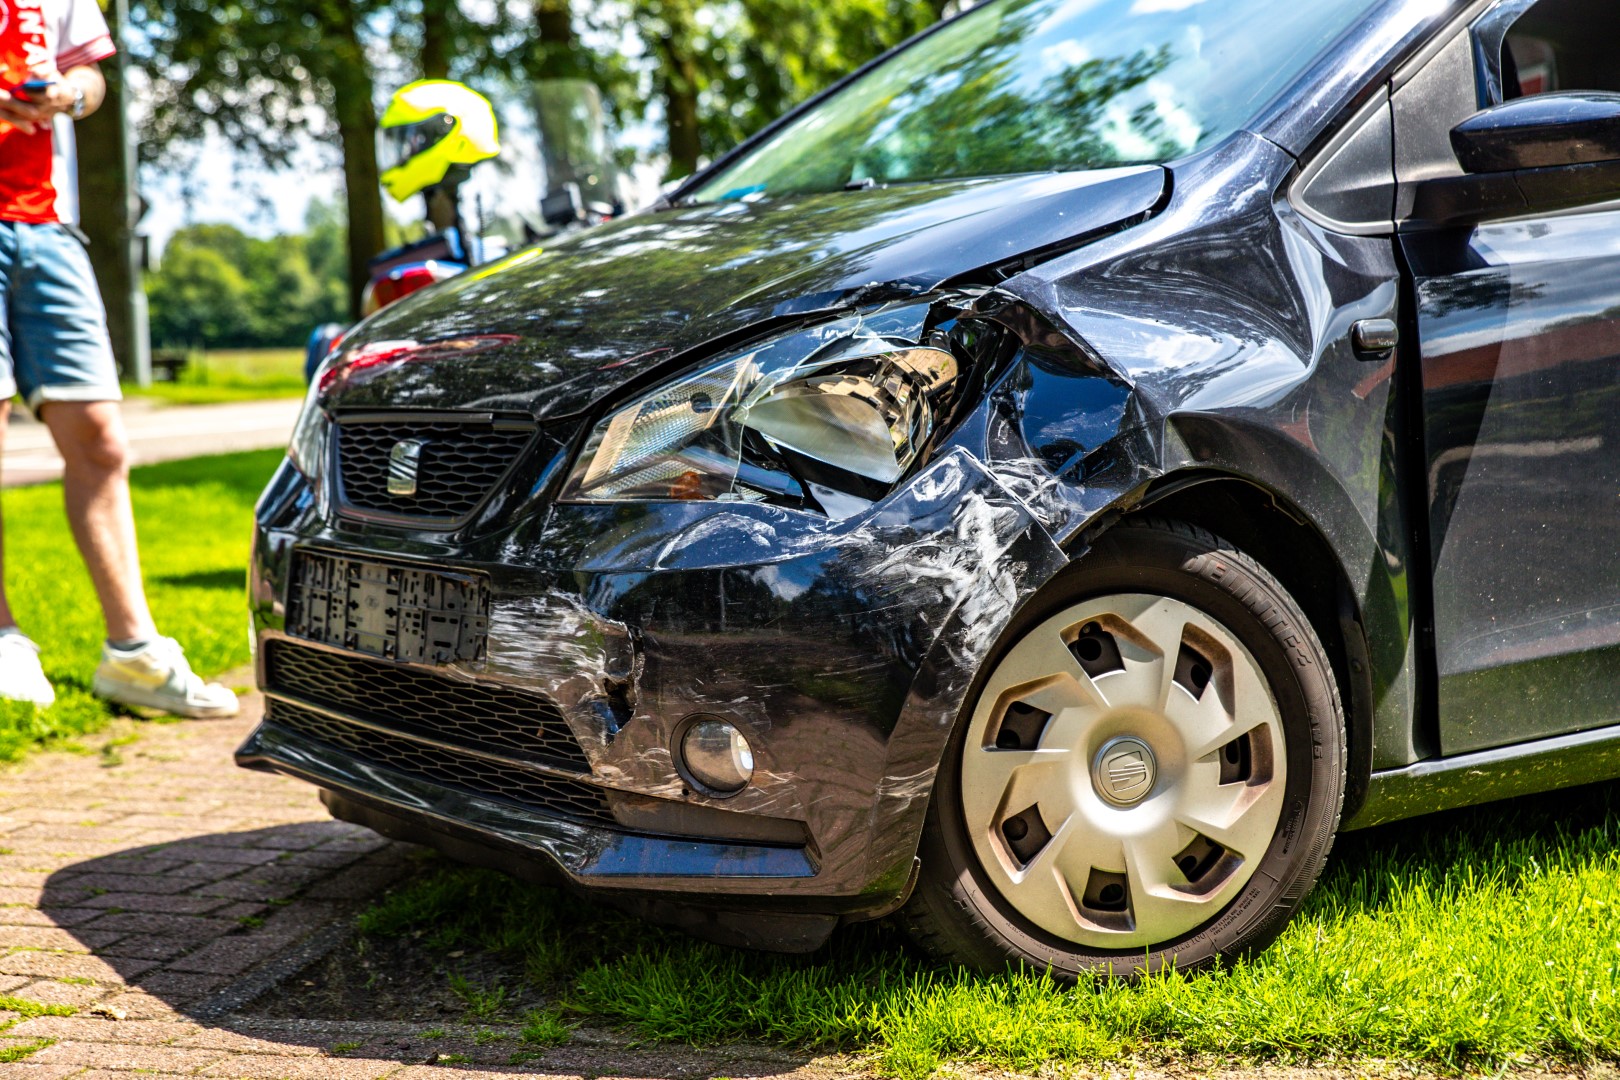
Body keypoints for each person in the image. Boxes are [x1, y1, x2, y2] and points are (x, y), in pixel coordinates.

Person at [0, 0, 237, 717]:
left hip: (46, 229)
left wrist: (68, 95)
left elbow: (91, 79)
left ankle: (132, 652)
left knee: (100, 437)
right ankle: (4, 638)